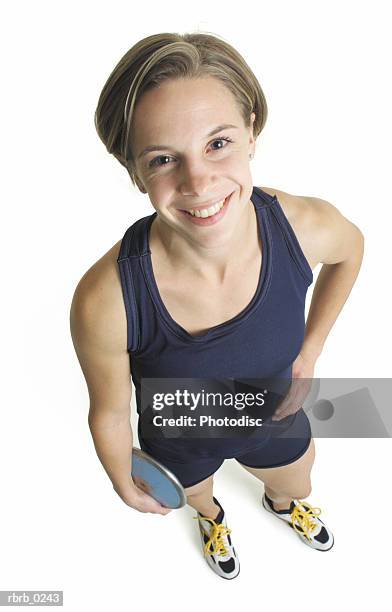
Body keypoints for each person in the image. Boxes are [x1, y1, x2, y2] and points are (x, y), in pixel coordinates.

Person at [70, 32, 364, 580]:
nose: (198, 182)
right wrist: (122, 483)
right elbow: (108, 412)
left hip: (273, 414)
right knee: (199, 496)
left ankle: (282, 507)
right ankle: (212, 519)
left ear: (252, 130)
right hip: (180, 432)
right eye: (163, 158)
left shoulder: (306, 227)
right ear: (134, 171)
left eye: (218, 142)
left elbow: (352, 253)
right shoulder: (105, 298)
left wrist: (312, 350)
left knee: (296, 481)